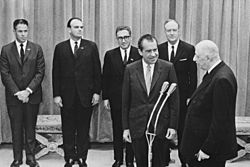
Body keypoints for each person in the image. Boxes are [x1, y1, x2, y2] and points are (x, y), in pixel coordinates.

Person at [122, 34, 179, 167]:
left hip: (160, 125)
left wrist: (173, 125)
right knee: (141, 162)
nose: (153, 54)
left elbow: (174, 102)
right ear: (140, 52)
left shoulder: (168, 68)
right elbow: (125, 102)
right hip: (138, 125)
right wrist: (125, 128)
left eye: (155, 50)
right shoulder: (130, 69)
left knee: (160, 163)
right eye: (148, 51)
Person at [52, 17, 101, 167]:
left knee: (83, 129)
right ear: (69, 29)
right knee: (67, 128)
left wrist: (96, 92)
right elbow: (56, 72)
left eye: (81, 27)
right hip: (66, 97)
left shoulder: (91, 46)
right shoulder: (60, 48)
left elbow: (97, 72)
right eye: (76, 27)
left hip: (85, 96)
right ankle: (69, 157)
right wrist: (57, 94)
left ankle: (81, 157)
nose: (80, 29)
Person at [180, 40, 238, 167]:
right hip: (199, 145)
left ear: (208, 57)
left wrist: (207, 149)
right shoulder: (214, 74)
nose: (194, 59)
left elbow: (220, 121)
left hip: (208, 152)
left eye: (197, 56)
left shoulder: (222, 79)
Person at [0, 19, 45, 167]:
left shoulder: (36, 48)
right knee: (16, 128)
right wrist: (18, 93)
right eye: (20, 31)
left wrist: (27, 91)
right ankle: (17, 158)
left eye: (25, 31)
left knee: (30, 128)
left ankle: (31, 158)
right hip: (14, 98)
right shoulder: (6, 50)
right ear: (14, 31)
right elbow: (5, 74)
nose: (23, 34)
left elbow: (40, 73)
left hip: (32, 96)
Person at [158, 19, 197, 167]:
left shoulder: (189, 49)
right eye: (169, 30)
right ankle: (164, 159)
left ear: (179, 30)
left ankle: (184, 160)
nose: (172, 33)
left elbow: (193, 76)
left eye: (174, 30)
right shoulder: (159, 49)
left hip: (182, 97)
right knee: (162, 128)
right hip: (163, 96)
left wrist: (191, 96)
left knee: (182, 129)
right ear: (165, 31)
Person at [102, 26, 141, 167]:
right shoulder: (110, 55)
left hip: (135, 99)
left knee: (132, 129)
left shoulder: (138, 53)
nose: (123, 40)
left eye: (126, 37)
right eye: (120, 38)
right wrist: (105, 97)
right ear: (117, 39)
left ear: (131, 37)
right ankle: (118, 159)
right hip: (116, 99)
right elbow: (105, 78)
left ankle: (130, 160)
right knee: (118, 129)